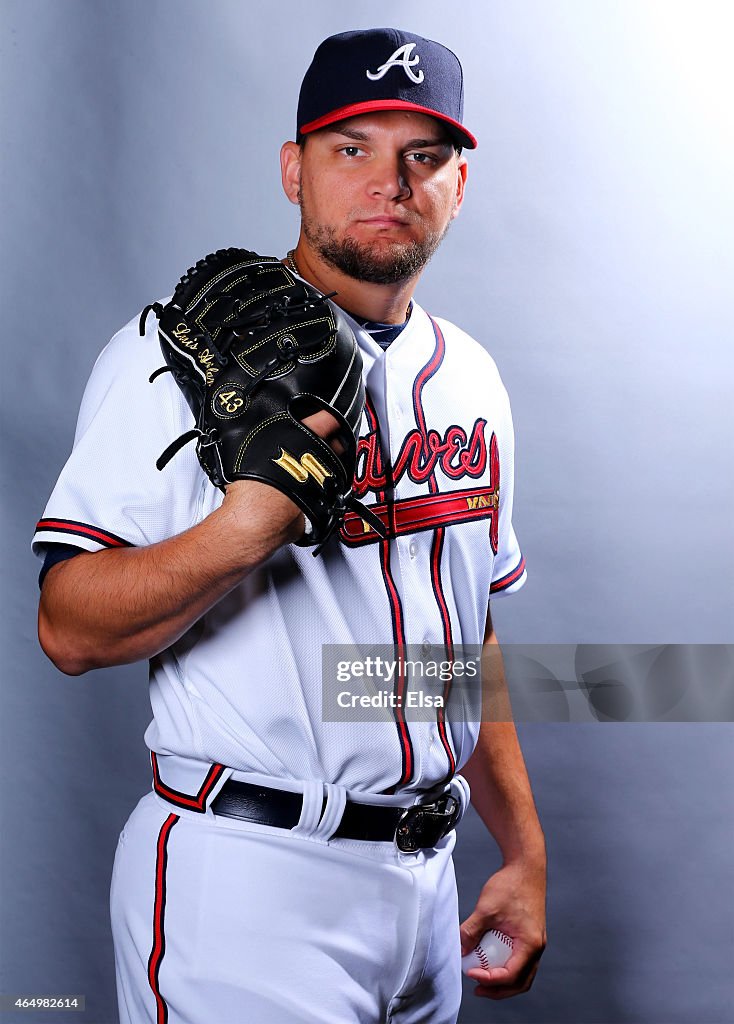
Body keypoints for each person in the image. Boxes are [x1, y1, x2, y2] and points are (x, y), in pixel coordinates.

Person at [34, 26, 546, 1024]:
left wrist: (521, 849)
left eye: (423, 155)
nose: (388, 182)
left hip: (426, 885)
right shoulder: (170, 360)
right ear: (292, 169)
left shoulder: (473, 377)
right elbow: (68, 626)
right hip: (249, 880)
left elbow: (463, 636)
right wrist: (244, 527)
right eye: (350, 149)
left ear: (459, 182)